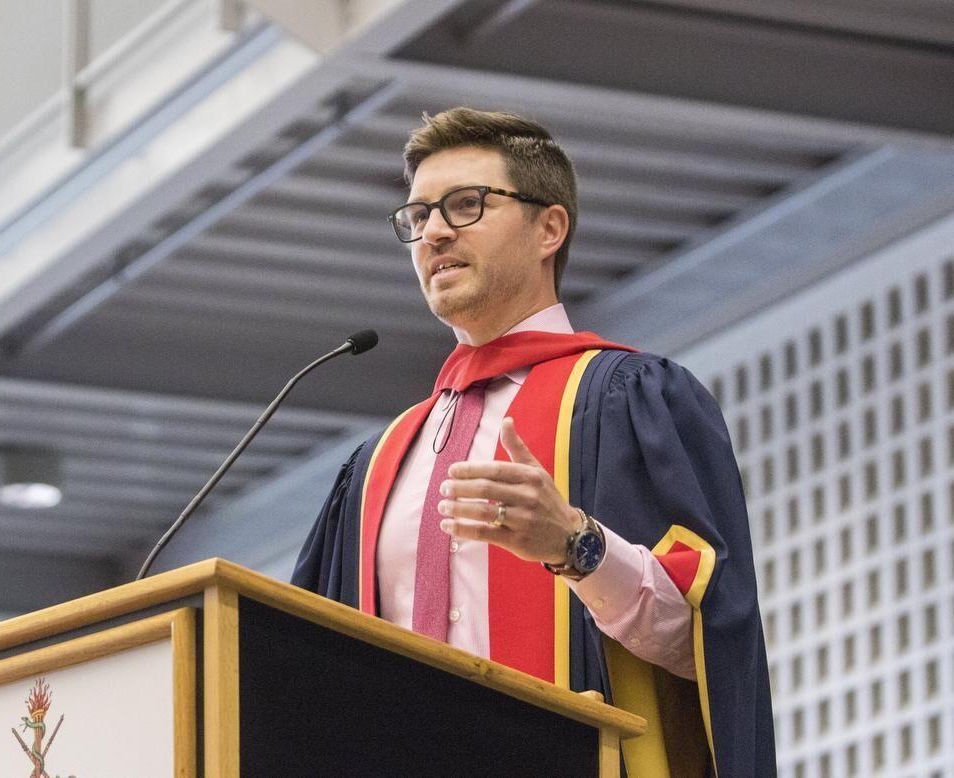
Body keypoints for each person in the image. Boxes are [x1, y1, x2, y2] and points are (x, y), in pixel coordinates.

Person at [292, 107, 774, 776]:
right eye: (418, 216)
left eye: (464, 205)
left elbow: (711, 646)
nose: (433, 232)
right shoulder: (375, 466)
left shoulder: (630, 400)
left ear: (549, 227)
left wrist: (577, 546)